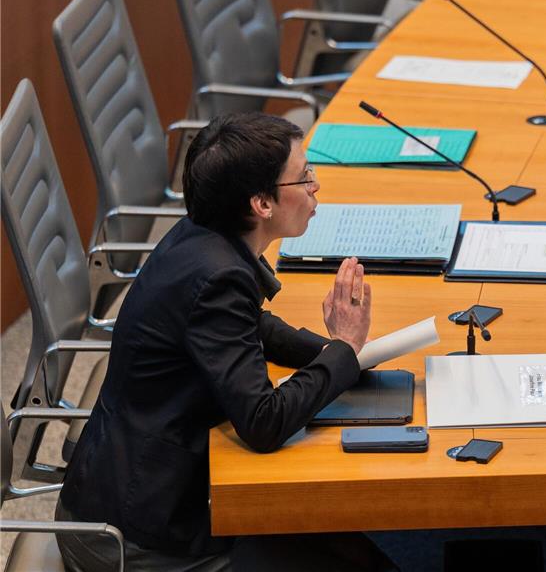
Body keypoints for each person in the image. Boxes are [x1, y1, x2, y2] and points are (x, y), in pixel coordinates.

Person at [56, 113, 396, 571]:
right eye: (304, 176)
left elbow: (251, 326)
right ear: (262, 203)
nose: (315, 185)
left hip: (135, 486)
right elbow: (263, 423)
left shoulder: (204, 234)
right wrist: (342, 352)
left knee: (351, 546)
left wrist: (337, 352)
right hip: (138, 539)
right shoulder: (218, 276)